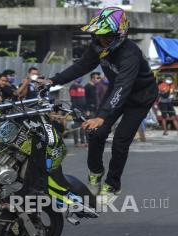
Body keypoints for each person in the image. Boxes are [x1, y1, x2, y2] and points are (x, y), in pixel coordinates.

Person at [49, 7, 158, 204]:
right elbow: (81, 67)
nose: (102, 40)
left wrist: (103, 116)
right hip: (116, 91)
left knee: (120, 141)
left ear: (120, 33)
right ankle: (95, 174)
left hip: (139, 98)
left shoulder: (130, 53)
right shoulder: (98, 47)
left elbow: (123, 86)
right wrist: (53, 81)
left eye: (107, 36)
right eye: (98, 35)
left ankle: (112, 185)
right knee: (96, 133)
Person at [69, 77, 88, 147]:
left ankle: (83, 142)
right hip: (76, 109)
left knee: (83, 125)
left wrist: (86, 109)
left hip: (83, 109)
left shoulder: (82, 87)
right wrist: (75, 110)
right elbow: (73, 99)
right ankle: (76, 142)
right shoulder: (73, 87)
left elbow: (84, 99)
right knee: (76, 125)